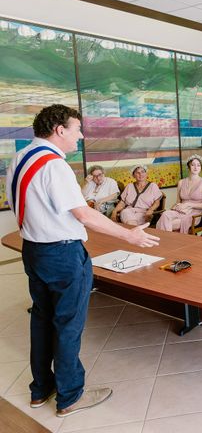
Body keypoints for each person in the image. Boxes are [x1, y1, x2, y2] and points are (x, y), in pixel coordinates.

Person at [6, 104, 159, 417]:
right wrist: (129, 236)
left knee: (41, 320)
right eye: (77, 129)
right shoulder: (54, 165)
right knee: (67, 324)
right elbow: (83, 213)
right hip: (62, 254)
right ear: (60, 130)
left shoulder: (19, 159)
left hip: (33, 250)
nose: (81, 135)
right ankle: (70, 395)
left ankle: (41, 389)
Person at [156, 155, 202, 234]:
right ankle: (169, 242)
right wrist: (173, 208)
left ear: (201, 168)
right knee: (165, 215)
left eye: (198, 165)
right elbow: (178, 201)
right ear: (189, 166)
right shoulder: (181, 182)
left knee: (165, 224)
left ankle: (166, 243)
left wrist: (189, 204)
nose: (196, 167)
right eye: (193, 165)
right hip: (181, 210)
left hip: (194, 214)